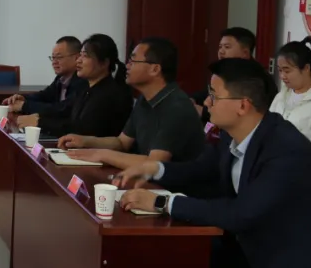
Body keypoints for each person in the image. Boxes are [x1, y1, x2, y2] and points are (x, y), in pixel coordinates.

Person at [116, 58, 311, 268]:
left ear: (242, 105)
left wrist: (162, 202)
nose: (207, 103)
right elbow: (200, 170)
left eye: (214, 96)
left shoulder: (285, 149)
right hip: (247, 256)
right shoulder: (233, 135)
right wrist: (154, 168)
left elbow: (242, 213)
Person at [58, 37, 204, 169]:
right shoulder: (144, 99)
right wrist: (85, 141)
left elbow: (155, 163)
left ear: (155, 69)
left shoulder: (176, 106)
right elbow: (122, 142)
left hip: (175, 187)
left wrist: (103, 155)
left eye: (133, 61)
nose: (127, 66)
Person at [19, 34, 132, 138]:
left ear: (104, 63)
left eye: (85, 56)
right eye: (80, 55)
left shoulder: (109, 94)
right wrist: (37, 117)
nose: (78, 60)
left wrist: (40, 122)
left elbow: (82, 130)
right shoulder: (87, 89)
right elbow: (64, 111)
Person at [4, 36, 87, 125]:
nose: (54, 62)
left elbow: (62, 109)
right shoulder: (61, 78)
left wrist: (24, 106)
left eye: (59, 57)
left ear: (76, 58)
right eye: (53, 57)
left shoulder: (82, 81)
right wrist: (24, 98)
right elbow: (44, 96)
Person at [192, 27, 256, 118]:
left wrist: (204, 112)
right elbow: (209, 93)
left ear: (245, 53)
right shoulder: (223, 72)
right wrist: (193, 99)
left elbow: (237, 114)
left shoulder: (255, 80)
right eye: (220, 47)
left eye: (227, 47)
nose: (221, 51)